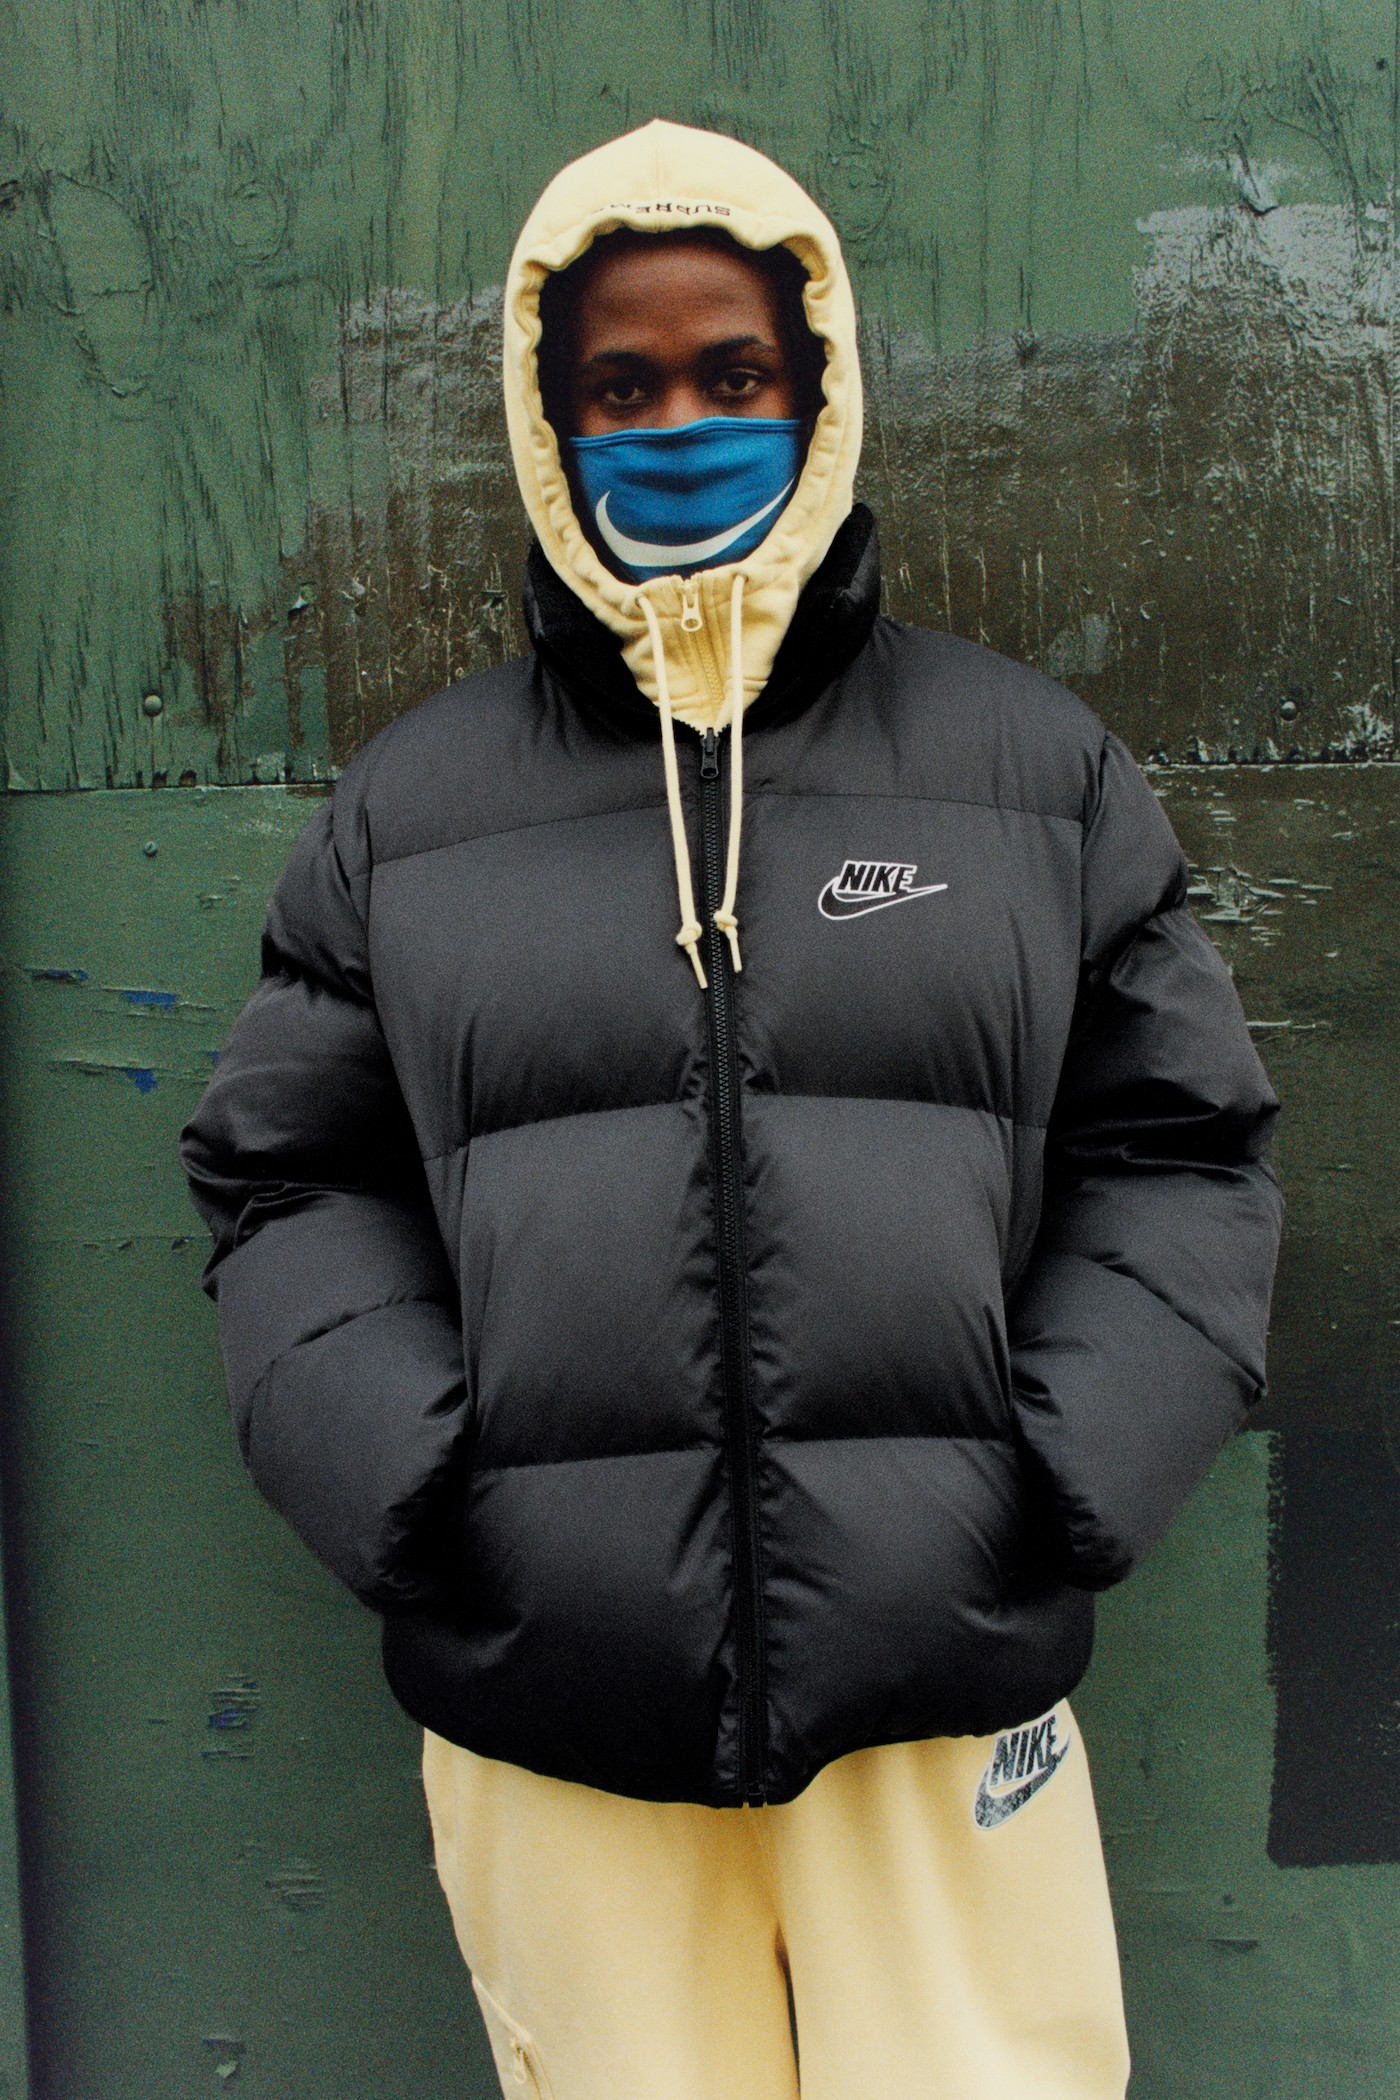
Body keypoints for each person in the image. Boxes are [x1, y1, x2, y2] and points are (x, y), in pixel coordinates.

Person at [180, 121, 1282, 2100]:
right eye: (621, 387)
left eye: (733, 372)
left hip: (942, 1689)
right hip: (555, 1699)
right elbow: (287, 1175)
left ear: (816, 384)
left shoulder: (1030, 773)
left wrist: (1050, 1483)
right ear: (550, 424)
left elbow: (1180, 1146)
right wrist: (426, 1496)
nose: (680, 425)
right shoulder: (414, 814)